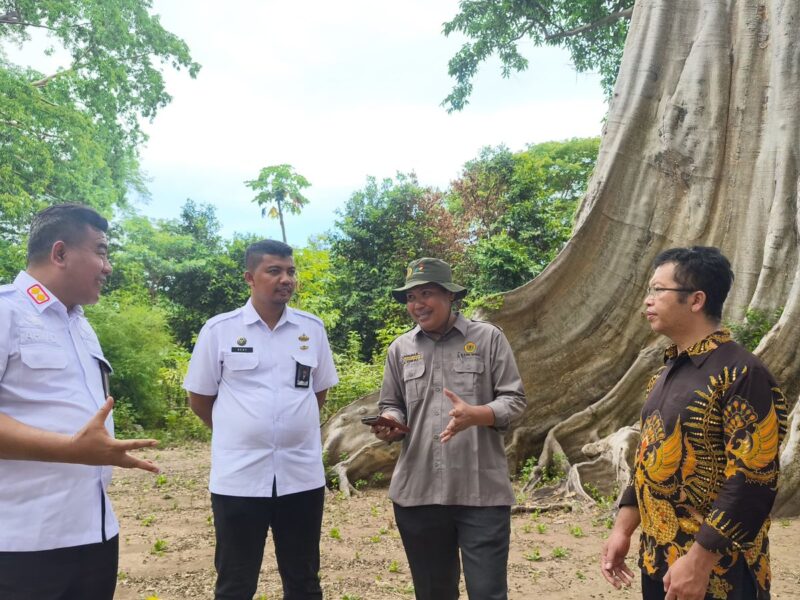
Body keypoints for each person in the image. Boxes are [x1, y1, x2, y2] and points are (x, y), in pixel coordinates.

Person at [600, 246, 788, 600]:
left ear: (696, 299)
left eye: (658, 290)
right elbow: (647, 457)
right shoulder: (666, 372)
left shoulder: (743, 374)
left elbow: (752, 480)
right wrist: (623, 530)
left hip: (718, 571)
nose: (647, 300)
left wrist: (700, 561)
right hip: (659, 561)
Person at [0, 203, 160, 600]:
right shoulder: (6, 311)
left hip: (95, 534)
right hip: (22, 544)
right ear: (60, 254)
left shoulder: (81, 326)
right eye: (102, 251)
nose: (108, 266)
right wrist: (73, 450)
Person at [184, 239, 338, 600]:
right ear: (249, 277)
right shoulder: (219, 330)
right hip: (239, 478)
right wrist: (241, 432)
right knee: (235, 581)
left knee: (303, 579)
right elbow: (200, 399)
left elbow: (318, 393)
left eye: (290, 271)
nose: (286, 279)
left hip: (300, 476)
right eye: (274, 271)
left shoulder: (311, 330)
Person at [372, 257, 527, 600]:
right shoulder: (400, 349)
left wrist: (479, 413)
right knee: (432, 593)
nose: (417, 304)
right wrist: (392, 422)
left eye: (426, 293)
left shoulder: (488, 339)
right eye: (411, 297)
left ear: (450, 296)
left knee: (487, 592)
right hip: (418, 492)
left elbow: (514, 400)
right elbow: (391, 403)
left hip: (480, 492)